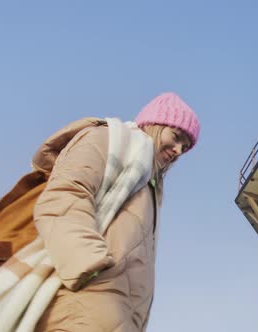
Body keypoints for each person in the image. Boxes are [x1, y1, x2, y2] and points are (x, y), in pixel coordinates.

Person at [30, 92, 200, 331]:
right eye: (176, 136)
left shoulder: (150, 185)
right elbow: (65, 195)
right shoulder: (107, 139)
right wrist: (89, 265)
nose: (179, 150)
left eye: (186, 146)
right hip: (84, 301)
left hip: (118, 314)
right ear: (154, 124)